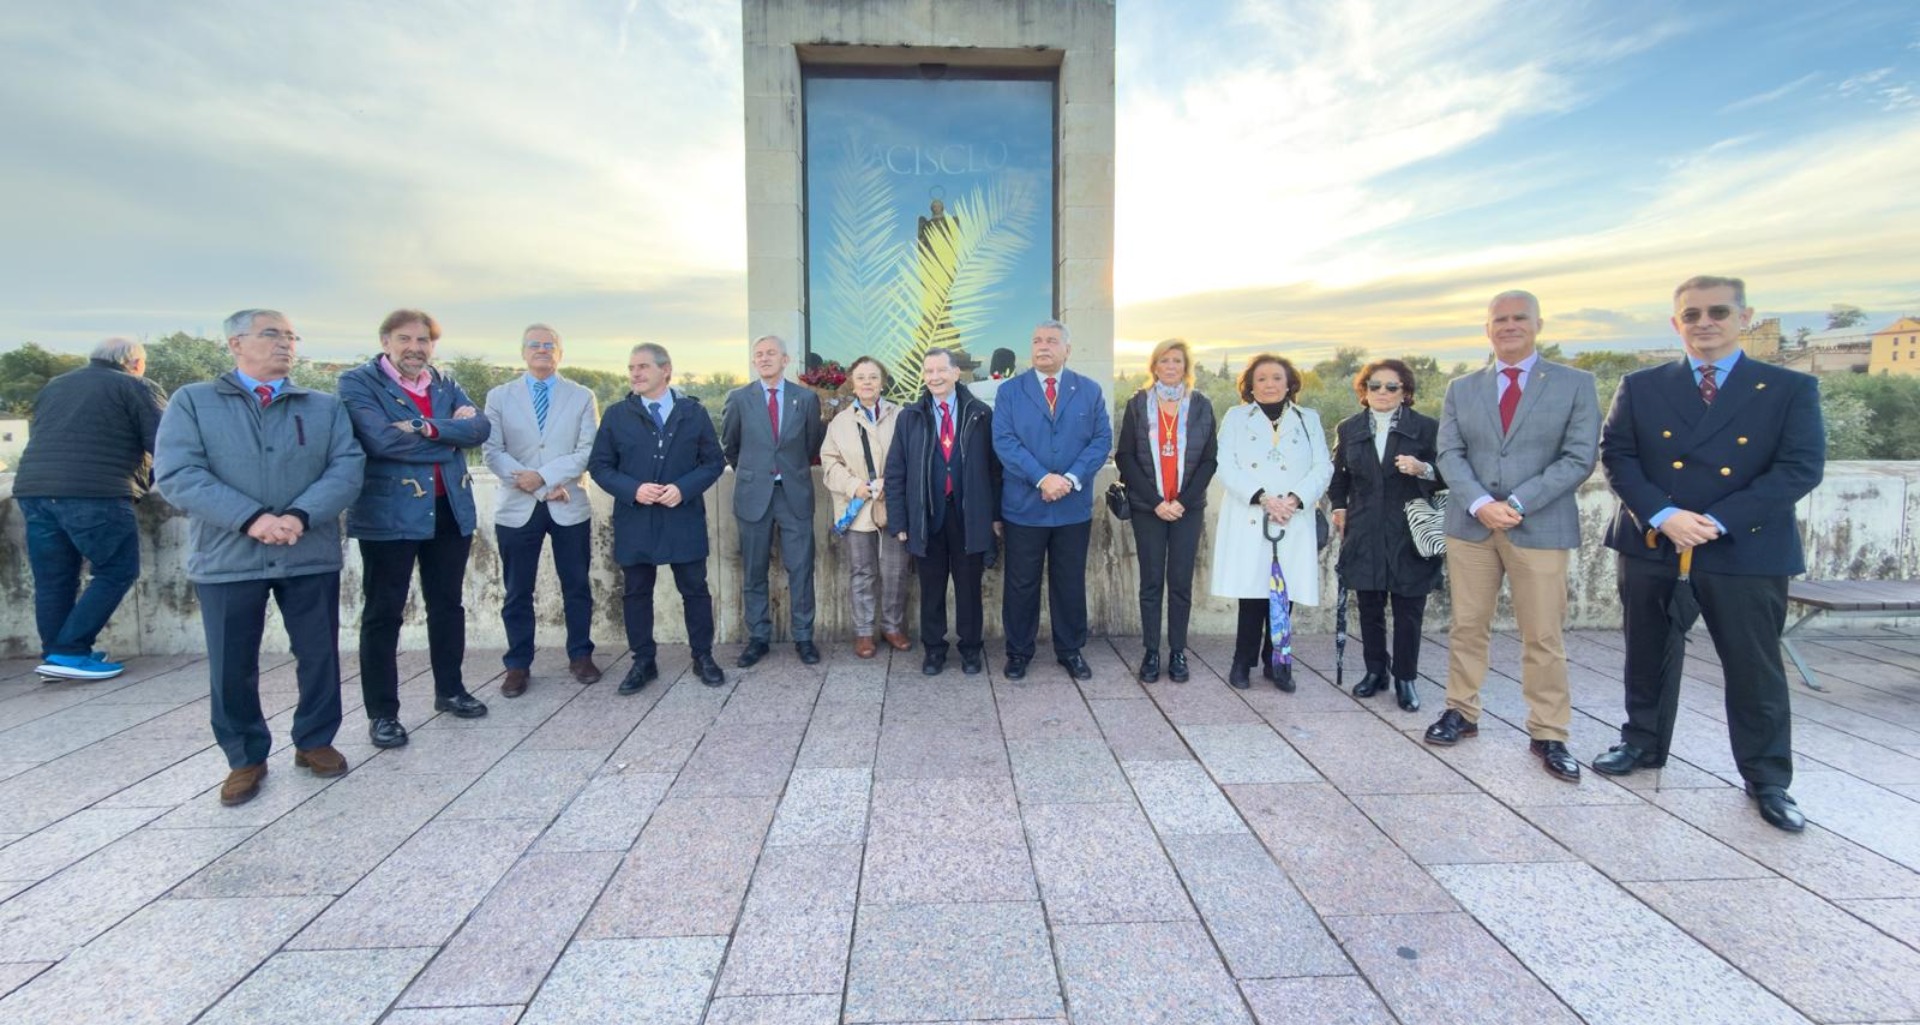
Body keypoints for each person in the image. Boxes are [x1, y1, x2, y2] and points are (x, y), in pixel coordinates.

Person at [1595, 275, 1825, 832]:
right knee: (1647, 652)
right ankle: (1642, 743)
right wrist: (1664, 515)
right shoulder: (1642, 384)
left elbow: (1799, 467)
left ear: (1745, 317)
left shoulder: (1787, 388)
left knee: (1754, 667)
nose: (1705, 323)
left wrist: (1717, 521)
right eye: (1691, 314)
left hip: (1744, 545)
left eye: (1718, 311)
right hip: (1655, 540)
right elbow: (1617, 455)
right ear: (1677, 323)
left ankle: (1767, 778)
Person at [153, 309, 365, 806]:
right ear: (235, 344)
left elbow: (347, 468)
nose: (285, 344)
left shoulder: (322, 407)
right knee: (232, 663)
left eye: (292, 335)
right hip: (228, 555)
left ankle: (315, 740)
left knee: (317, 654)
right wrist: (252, 519)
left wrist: (297, 515)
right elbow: (178, 474)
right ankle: (245, 756)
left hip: (306, 549)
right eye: (272, 334)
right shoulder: (194, 402)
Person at [1426, 290, 1599, 784]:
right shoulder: (1462, 388)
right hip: (1471, 525)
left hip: (1539, 525)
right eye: (1499, 319)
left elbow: (1579, 457)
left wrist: (1517, 503)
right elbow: (1450, 453)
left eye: (1519, 318)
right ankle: (1461, 711)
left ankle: (1549, 731)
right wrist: (1482, 503)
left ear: (1538, 324)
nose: (1509, 326)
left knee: (1543, 634)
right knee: (1466, 625)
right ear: (1487, 329)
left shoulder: (1574, 384)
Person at [338, 309, 492, 750]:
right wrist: (450, 436)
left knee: (447, 606)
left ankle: (450, 691)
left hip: (450, 511)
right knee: (383, 613)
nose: (415, 348)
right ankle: (383, 714)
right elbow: (380, 440)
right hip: (391, 515)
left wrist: (425, 427)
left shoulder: (443, 382)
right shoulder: (358, 383)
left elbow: (479, 429)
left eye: (423, 340)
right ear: (386, 341)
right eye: (405, 339)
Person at [15, 338, 167, 680]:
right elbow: (165, 442)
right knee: (116, 570)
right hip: (96, 493)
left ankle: (55, 655)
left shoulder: (56, 385)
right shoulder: (137, 386)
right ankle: (69, 652)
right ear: (135, 362)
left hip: (34, 490)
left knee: (54, 579)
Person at [589, 343, 727, 690]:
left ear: (666, 370)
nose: (635, 373)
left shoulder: (692, 412)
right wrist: (632, 489)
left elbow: (713, 462)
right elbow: (600, 466)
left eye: (643, 367)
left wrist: (683, 488)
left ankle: (703, 656)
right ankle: (643, 661)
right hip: (636, 518)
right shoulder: (617, 414)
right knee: (636, 592)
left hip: (682, 516)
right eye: (631, 367)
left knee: (695, 589)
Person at [481, 324, 601, 697]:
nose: (542, 350)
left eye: (550, 345)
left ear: (560, 353)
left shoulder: (582, 396)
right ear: (523, 352)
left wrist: (545, 480)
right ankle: (518, 664)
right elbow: (492, 451)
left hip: (567, 503)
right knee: (517, 589)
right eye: (535, 345)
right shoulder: (499, 397)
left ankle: (580, 654)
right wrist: (529, 483)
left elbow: (587, 450)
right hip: (518, 507)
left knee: (577, 584)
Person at [992, 319, 1112, 680]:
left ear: (1067, 350)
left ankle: (1070, 650)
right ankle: (1018, 652)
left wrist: (1070, 479)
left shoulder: (1088, 390)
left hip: (1072, 508)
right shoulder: (1010, 392)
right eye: (1037, 341)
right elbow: (1005, 442)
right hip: (1024, 508)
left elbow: (1101, 441)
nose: (1043, 346)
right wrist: (1043, 478)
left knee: (1069, 582)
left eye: (1051, 341)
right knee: (1021, 583)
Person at [1328, 359, 1444, 711]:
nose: (1382, 392)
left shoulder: (1426, 428)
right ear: (1363, 391)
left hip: (1409, 527)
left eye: (1391, 387)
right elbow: (1340, 477)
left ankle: (1405, 678)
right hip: (1364, 526)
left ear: (1405, 392)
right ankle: (1375, 670)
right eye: (1374, 386)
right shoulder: (1349, 428)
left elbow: (1451, 474)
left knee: (1409, 607)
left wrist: (1423, 468)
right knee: (1369, 604)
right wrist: (1339, 507)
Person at [1210, 355, 1332, 691]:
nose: (1269, 384)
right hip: (1252, 514)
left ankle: (1276, 661)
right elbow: (1224, 464)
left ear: (1289, 382)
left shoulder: (1308, 419)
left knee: (1284, 590)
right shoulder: (1236, 417)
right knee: (1252, 592)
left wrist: (1293, 499)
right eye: (1261, 379)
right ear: (1250, 385)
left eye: (1276, 378)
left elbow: (1323, 466)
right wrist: (1263, 497)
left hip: (1293, 517)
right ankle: (1242, 660)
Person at [885, 347, 1002, 676]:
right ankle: (934, 649)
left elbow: (995, 470)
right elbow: (896, 472)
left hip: (969, 516)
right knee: (931, 589)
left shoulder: (979, 414)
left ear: (956, 374)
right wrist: (900, 521)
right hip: (928, 516)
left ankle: (970, 649)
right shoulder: (910, 416)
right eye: (928, 371)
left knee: (969, 590)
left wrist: (994, 516)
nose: (934, 377)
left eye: (940, 370)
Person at [1115, 339, 1218, 683]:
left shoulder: (1201, 405)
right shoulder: (1138, 404)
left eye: (1177, 360)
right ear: (1154, 366)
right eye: (1164, 360)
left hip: (1187, 509)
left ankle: (1177, 652)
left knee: (1179, 582)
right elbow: (1125, 456)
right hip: (1148, 508)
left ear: (1186, 367)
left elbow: (1209, 460)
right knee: (1151, 581)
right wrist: (1157, 502)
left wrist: (1183, 502)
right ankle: (1150, 652)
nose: (1171, 366)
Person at [721, 334, 827, 667]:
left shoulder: (806, 399)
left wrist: (784, 471)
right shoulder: (739, 399)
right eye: (759, 354)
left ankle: (804, 637)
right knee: (753, 570)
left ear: (785, 359)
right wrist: (758, 472)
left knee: (801, 568)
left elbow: (811, 445)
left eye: (771, 353)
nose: (764, 358)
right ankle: (758, 638)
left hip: (793, 493)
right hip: (753, 495)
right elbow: (730, 446)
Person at [820, 355, 909, 658]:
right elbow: (829, 463)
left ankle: (893, 626)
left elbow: (914, 456)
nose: (867, 382)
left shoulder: (901, 416)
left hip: (893, 503)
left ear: (882, 382)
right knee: (862, 572)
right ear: (852, 383)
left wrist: (892, 482)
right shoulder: (840, 423)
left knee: (896, 570)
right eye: (861, 377)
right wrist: (854, 485)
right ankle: (863, 632)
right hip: (856, 506)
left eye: (873, 377)